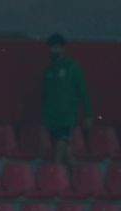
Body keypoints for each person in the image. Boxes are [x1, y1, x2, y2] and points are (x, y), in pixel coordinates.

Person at [41, 34, 92, 165]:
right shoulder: (49, 70)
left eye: (57, 47)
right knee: (66, 154)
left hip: (67, 116)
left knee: (59, 150)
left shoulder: (72, 67)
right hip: (52, 118)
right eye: (52, 47)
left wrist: (88, 115)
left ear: (63, 49)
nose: (54, 50)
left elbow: (83, 92)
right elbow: (46, 96)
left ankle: (54, 175)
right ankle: (77, 176)